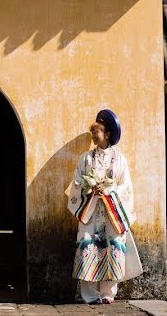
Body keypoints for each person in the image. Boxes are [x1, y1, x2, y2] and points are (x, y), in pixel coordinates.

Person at [66, 109, 143, 304]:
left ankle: (108, 294)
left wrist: (109, 191)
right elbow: (76, 183)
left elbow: (126, 187)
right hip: (90, 212)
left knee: (113, 249)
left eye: (96, 131)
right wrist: (90, 189)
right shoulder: (85, 159)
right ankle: (90, 295)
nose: (93, 135)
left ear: (107, 134)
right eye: (92, 132)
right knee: (88, 248)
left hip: (111, 213)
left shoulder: (120, 160)